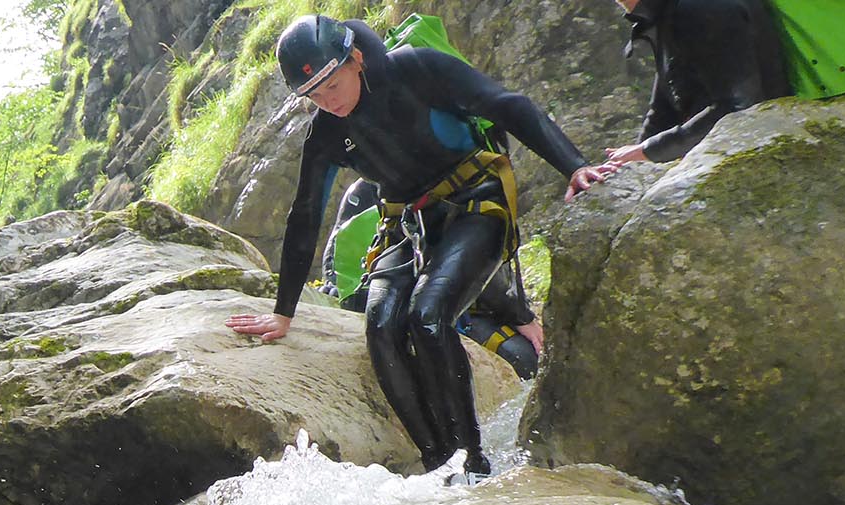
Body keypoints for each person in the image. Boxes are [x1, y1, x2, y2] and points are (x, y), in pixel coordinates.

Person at [227, 15, 614, 475]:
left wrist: (573, 166)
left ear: (356, 58)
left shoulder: (417, 69)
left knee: (428, 316)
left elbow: (509, 105)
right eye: (313, 95)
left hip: (477, 203)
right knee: (382, 329)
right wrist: (283, 312)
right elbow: (305, 215)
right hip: (408, 222)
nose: (327, 102)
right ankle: (437, 464)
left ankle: (472, 463)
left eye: (332, 85)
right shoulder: (327, 132)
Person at [319, 178, 544, 379]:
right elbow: (479, 261)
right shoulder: (443, 175)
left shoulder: (367, 185)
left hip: (395, 299)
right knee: (525, 360)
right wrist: (522, 316)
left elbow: (334, 252)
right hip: (422, 302)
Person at [604, 0, 790, 167]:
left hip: (767, 159)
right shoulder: (666, 11)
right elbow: (664, 109)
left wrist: (649, 150)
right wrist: (626, 161)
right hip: (733, 156)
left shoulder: (704, 7)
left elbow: (740, 109)